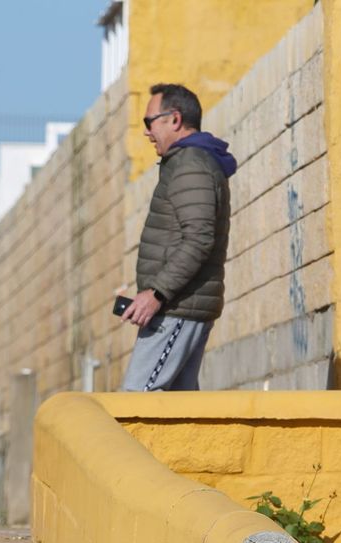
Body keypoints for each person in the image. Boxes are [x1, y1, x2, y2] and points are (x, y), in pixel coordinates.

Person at [119, 82, 237, 392]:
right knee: (179, 409)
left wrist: (156, 293)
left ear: (174, 119)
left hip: (178, 308)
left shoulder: (191, 166)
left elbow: (199, 239)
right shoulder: (187, 163)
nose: (146, 132)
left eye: (149, 122)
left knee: (137, 399)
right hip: (178, 305)